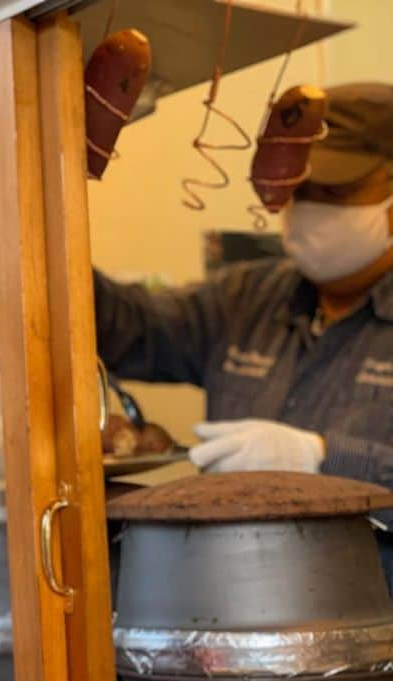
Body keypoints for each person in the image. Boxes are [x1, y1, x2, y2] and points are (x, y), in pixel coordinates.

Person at [96, 81, 392, 516]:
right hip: (232, 575)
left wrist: (324, 460)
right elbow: (128, 326)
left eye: (334, 192)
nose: (307, 209)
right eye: (297, 190)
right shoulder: (246, 300)